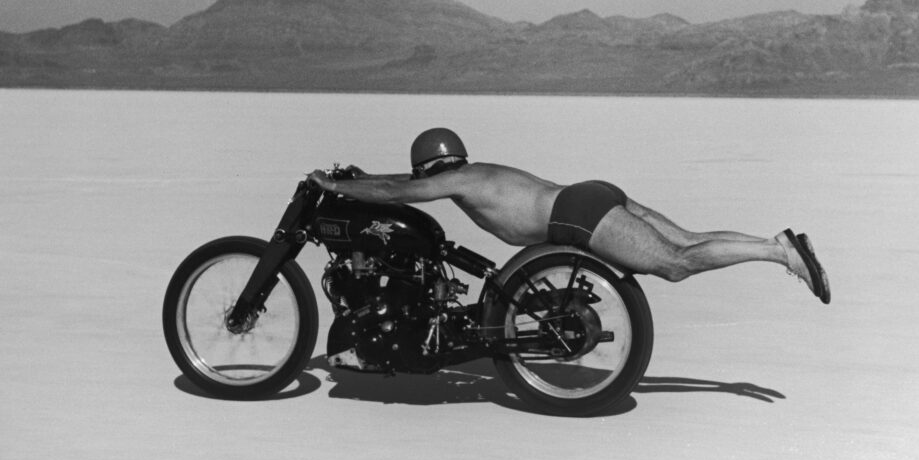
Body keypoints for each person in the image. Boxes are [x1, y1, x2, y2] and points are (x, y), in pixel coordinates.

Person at [308, 127, 830, 304]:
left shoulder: (455, 181)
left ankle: (778, 253)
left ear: (428, 165)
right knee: (687, 240)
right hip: (590, 195)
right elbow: (404, 186)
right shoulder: (479, 170)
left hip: (577, 215)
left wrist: (337, 186)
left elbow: (402, 191)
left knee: (675, 263)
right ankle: (775, 241)